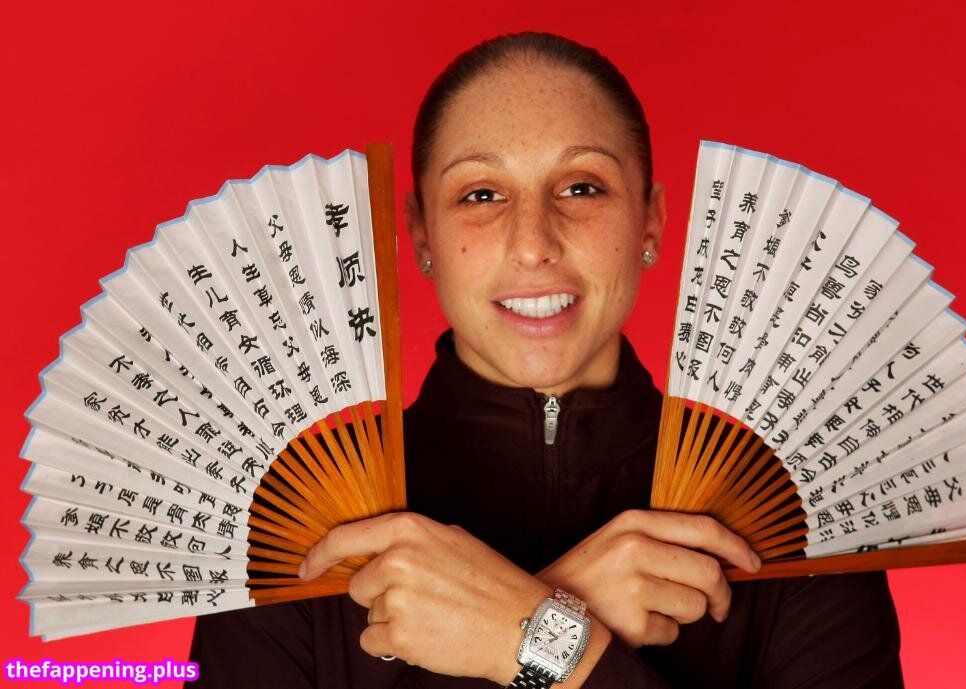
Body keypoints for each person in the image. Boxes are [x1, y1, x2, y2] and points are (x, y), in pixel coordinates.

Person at [188, 32, 903, 688]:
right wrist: (562, 623)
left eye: (581, 187)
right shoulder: (300, 524)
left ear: (650, 221)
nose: (533, 243)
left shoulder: (785, 517)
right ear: (422, 235)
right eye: (482, 194)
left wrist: (537, 637)